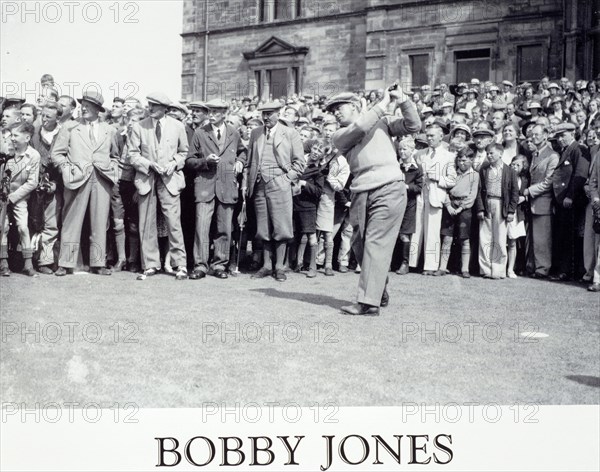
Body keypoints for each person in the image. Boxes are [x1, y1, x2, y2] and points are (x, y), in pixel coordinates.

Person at [327, 84, 421, 316]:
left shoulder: (384, 121)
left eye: (341, 107)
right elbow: (360, 125)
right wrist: (382, 103)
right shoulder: (339, 135)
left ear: (356, 105)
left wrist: (402, 101)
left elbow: (414, 125)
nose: (336, 113)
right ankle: (378, 288)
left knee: (376, 244)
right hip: (360, 192)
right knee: (359, 244)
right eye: (333, 110)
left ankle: (368, 302)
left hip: (389, 188)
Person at [51, 91, 118, 276]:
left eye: (89, 105)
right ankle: (65, 263)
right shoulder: (70, 127)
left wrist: (112, 170)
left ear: (98, 109)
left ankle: (98, 263)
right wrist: (66, 168)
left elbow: (116, 156)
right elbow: (57, 153)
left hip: (102, 178)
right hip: (76, 177)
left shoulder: (109, 129)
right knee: (71, 220)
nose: (84, 108)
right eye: (83, 104)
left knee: (100, 221)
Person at [128, 92, 189, 280]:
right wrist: (149, 164)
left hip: (170, 180)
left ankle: (180, 264)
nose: (150, 108)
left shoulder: (178, 126)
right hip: (147, 179)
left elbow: (183, 152)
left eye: (154, 105)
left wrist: (173, 164)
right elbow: (133, 154)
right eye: (149, 105)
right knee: (147, 223)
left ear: (165, 108)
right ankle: (151, 264)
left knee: (174, 223)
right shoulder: (139, 126)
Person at [243, 100, 305, 282]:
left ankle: (279, 267)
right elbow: (249, 162)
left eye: (269, 113)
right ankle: (266, 266)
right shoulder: (256, 133)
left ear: (279, 113)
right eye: (263, 113)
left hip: (280, 184)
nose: (265, 117)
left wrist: (286, 179)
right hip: (260, 184)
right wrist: (247, 183)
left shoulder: (291, 133)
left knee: (281, 225)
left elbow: (300, 163)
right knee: (264, 227)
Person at [186, 99, 247, 280]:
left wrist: (239, 162)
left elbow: (244, 151)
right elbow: (189, 160)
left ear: (224, 113)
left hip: (227, 187)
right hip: (205, 186)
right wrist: (205, 162)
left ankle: (220, 264)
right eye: (210, 111)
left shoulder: (233, 133)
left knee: (224, 229)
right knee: (201, 228)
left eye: (216, 112)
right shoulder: (200, 133)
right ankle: (200, 266)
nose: (212, 115)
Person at [414, 123, 457, 275]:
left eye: (432, 135)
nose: (429, 138)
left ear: (441, 136)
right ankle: (414, 263)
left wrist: (438, 178)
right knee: (416, 229)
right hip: (420, 196)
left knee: (432, 232)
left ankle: (430, 266)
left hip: (435, 195)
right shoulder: (419, 154)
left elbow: (452, 180)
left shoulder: (449, 156)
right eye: (428, 135)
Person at [0, 122, 40, 276]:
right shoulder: (6, 152)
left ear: (27, 137)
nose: (13, 138)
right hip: (3, 196)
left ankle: (28, 264)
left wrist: (13, 197)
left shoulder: (33, 156)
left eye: (16, 135)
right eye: (11, 135)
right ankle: (3, 263)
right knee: (3, 227)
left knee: (23, 227)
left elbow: (32, 182)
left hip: (19, 197)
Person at [475, 143, 519, 279]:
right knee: (485, 237)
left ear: (500, 154)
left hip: (501, 204)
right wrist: (480, 208)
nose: (489, 155)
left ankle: (499, 270)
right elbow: (478, 191)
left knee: (500, 238)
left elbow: (514, 192)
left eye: (492, 153)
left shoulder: (509, 171)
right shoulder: (484, 170)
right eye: (487, 153)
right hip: (487, 203)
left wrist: (511, 210)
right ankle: (486, 269)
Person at [523, 124, 559, 278]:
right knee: (534, 238)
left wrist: (529, 191)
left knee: (543, 238)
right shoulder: (535, 154)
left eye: (537, 134)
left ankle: (543, 268)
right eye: (532, 135)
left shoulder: (552, 156)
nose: (534, 137)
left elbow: (548, 182)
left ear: (545, 136)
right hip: (533, 202)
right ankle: (533, 266)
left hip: (543, 201)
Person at [437, 147, 479, 278]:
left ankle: (465, 269)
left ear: (471, 160)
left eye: (465, 160)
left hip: (464, 209)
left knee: (464, 239)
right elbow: (445, 190)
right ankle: (442, 267)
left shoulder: (475, 175)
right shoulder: (453, 173)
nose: (462, 163)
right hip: (450, 206)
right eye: (460, 160)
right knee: (447, 238)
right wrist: (449, 206)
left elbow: (472, 195)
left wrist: (461, 208)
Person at [550, 122, 582, 281]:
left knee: (569, 236)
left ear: (573, 133)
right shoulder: (565, 150)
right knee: (563, 235)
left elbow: (579, 175)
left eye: (563, 135)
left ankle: (567, 271)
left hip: (571, 200)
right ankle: (563, 269)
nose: (560, 139)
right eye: (558, 136)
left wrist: (570, 195)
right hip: (562, 200)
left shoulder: (577, 149)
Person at [293, 139, 326, 277]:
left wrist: (304, 184)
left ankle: (313, 267)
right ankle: (296, 263)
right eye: (315, 149)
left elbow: (319, 192)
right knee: (294, 234)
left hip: (308, 206)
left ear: (322, 156)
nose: (316, 153)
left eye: (319, 151)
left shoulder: (318, 171)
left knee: (311, 235)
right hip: (293, 203)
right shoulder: (298, 159)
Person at [394, 136, 423, 275]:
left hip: (409, 204)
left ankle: (404, 263)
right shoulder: (394, 165)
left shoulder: (417, 168)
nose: (402, 152)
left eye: (404, 149)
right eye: (400, 149)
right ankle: (390, 262)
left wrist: (406, 187)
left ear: (412, 150)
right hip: (394, 203)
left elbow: (419, 188)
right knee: (392, 233)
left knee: (405, 235)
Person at [506, 154, 530, 278]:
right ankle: (500, 267)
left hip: (516, 213)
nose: (514, 167)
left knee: (513, 241)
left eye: (518, 165)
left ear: (523, 167)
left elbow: (526, 194)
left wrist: (524, 198)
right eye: (513, 164)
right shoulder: (505, 176)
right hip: (505, 211)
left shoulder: (524, 180)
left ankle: (511, 269)